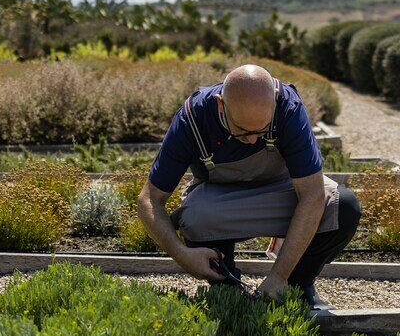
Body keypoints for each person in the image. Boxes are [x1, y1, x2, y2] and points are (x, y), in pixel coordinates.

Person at [136, 64, 361, 309]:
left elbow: (312, 195)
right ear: (221, 105)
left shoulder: (289, 108)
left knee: (342, 207)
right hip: (220, 200)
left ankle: (296, 286)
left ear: (274, 102)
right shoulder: (193, 118)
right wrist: (181, 254)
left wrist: (279, 276)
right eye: (242, 131)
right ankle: (227, 289)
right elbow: (149, 199)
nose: (253, 139)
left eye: (262, 130)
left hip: (281, 190)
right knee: (194, 216)